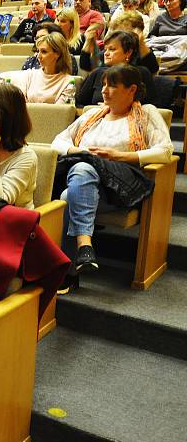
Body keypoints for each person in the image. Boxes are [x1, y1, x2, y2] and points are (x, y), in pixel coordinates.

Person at [52, 65, 173, 293]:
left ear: (132, 89)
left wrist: (122, 156)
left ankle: (70, 267)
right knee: (75, 183)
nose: (104, 91)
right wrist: (79, 152)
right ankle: (83, 251)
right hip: (85, 184)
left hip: (119, 187)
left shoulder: (146, 113)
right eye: (104, 85)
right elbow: (57, 141)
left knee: (78, 177)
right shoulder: (93, 114)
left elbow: (166, 151)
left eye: (112, 86)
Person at [75, 30, 155, 108]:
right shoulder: (98, 72)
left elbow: (148, 107)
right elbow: (78, 103)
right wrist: (96, 110)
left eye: (112, 49)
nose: (106, 53)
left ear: (128, 52)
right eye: (105, 49)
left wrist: (112, 109)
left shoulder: (141, 73)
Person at [5, 32, 74, 104]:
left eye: (44, 52)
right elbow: (21, 106)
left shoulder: (68, 82)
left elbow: (58, 112)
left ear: (57, 54)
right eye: (38, 51)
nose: (38, 56)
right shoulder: (30, 75)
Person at [112, 10, 159, 75]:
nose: (119, 36)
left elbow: (153, 71)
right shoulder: (109, 51)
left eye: (124, 31)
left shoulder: (141, 51)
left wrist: (141, 41)